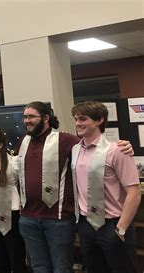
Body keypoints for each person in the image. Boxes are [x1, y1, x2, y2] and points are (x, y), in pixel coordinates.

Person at [16, 101, 133, 273]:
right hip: (29, 218)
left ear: (46, 118)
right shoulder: (23, 142)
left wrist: (125, 145)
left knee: (62, 267)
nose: (27, 120)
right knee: (39, 267)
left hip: (58, 219)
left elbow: (95, 144)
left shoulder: (66, 140)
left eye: (31, 116)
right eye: (25, 117)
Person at [70, 101, 141, 273]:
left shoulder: (117, 150)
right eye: (76, 119)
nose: (78, 123)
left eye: (83, 119)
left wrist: (121, 229)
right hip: (87, 224)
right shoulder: (75, 150)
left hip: (113, 224)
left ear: (99, 120)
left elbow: (134, 192)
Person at [0, 127, 27, 273]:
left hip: (11, 213)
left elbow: (22, 186)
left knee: (15, 255)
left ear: (0, 145)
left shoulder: (14, 162)